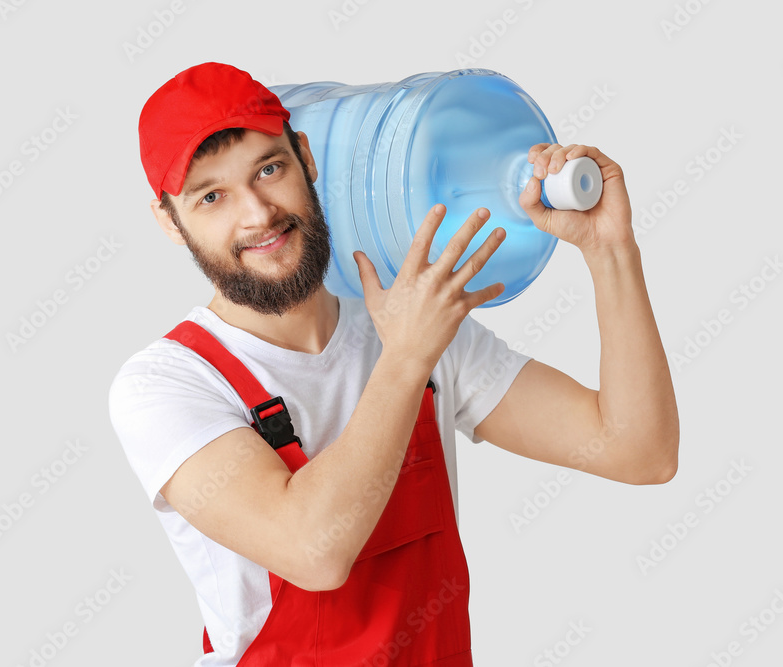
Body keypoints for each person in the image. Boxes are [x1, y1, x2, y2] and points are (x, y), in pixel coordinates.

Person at [109, 62, 678, 666]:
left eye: (269, 169)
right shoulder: (167, 385)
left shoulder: (414, 326)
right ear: (169, 221)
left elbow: (638, 451)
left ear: (306, 156)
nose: (256, 215)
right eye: (211, 197)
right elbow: (313, 551)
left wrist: (610, 250)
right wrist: (407, 359)